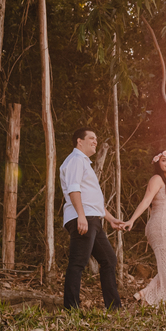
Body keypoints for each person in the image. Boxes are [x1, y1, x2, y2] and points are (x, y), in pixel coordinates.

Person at [59, 127, 124, 310]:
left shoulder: (84, 163)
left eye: (96, 138)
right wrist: (81, 215)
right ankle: (71, 308)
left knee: (109, 260)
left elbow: (92, 198)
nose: (95, 141)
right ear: (80, 141)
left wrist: (110, 219)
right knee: (78, 262)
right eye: (91, 138)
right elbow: (73, 189)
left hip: (93, 218)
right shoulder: (75, 160)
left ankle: (114, 308)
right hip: (84, 217)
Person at [123, 149, 166, 305]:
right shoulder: (156, 179)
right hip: (160, 226)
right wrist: (131, 220)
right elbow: (146, 201)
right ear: (157, 163)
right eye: (163, 160)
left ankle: (145, 295)